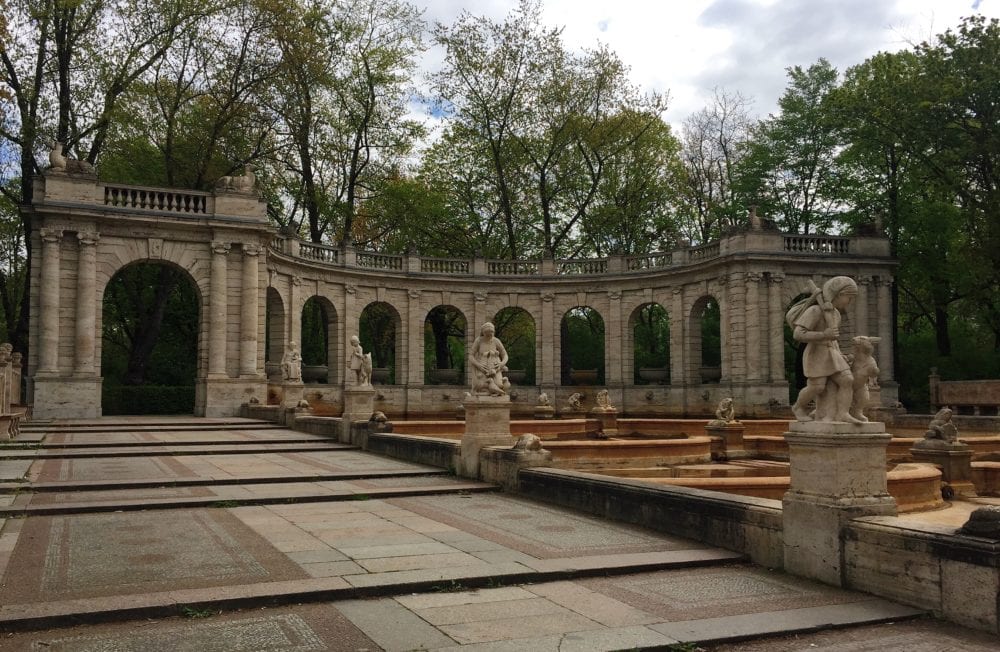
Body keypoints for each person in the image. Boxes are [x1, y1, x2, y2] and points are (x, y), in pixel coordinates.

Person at [786, 276, 862, 424]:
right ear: (838, 294)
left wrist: (841, 354)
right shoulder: (815, 310)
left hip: (832, 352)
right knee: (817, 387)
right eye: (849, 297)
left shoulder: (836, 314)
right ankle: (798, 407)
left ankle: (843, 413)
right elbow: (798, 334)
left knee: (847, 380)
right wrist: (823, 335)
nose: (849, 302)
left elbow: (833, 339)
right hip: (816, 353)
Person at [470, 322, 509, 396]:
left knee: (499, 385)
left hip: (495, 368)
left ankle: (489, 393)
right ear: (483, 333)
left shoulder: (496, 341)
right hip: (482, 368)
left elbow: (505, 355)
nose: (490, 336)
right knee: (480, 385)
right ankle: (484, 393)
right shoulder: (479, 340)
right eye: (487, 334)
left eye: (491, 334)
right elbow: (471, 356)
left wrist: (501, 364)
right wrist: (478, 366)